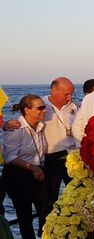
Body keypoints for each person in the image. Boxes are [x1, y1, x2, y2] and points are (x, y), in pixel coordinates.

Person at [2, 95, 49, 239]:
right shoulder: (16, 128)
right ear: (27, 110)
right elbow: (10, 157)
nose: (44, 111)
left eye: (44, 107)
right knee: (25, 216)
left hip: (37, 171)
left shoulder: (41, 126)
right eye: (40, 108)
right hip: (18, 174)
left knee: (46, 210)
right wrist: (33, 168)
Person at [41, 77, 78, 213]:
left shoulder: (74, 106)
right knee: (50, 198)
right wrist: (7, 125)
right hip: (50, 157)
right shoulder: (40, 105)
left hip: (72, 155)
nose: (70, 97)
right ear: (54, 90)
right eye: (66, 94)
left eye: (72, 93)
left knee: (77, 194)